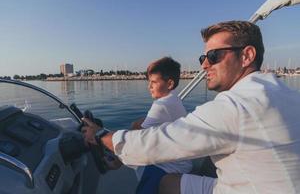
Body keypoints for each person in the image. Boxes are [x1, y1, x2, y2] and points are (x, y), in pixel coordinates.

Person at [83, 20, 300, 194]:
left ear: (247, 56)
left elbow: (155, 144)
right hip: (257, 181)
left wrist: (101, 134)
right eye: (203, 57)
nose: (205, 64)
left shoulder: (237, 105)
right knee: (168, 183)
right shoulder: (287, 93)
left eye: (214, 56)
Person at [131, 57, 193, 194]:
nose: (149, 86)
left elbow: (137, 136)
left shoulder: (161, 104)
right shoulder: (173, 98)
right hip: (181, 162)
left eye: (153, 82)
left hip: (171, 166)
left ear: (169, 84)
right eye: (149, 82)